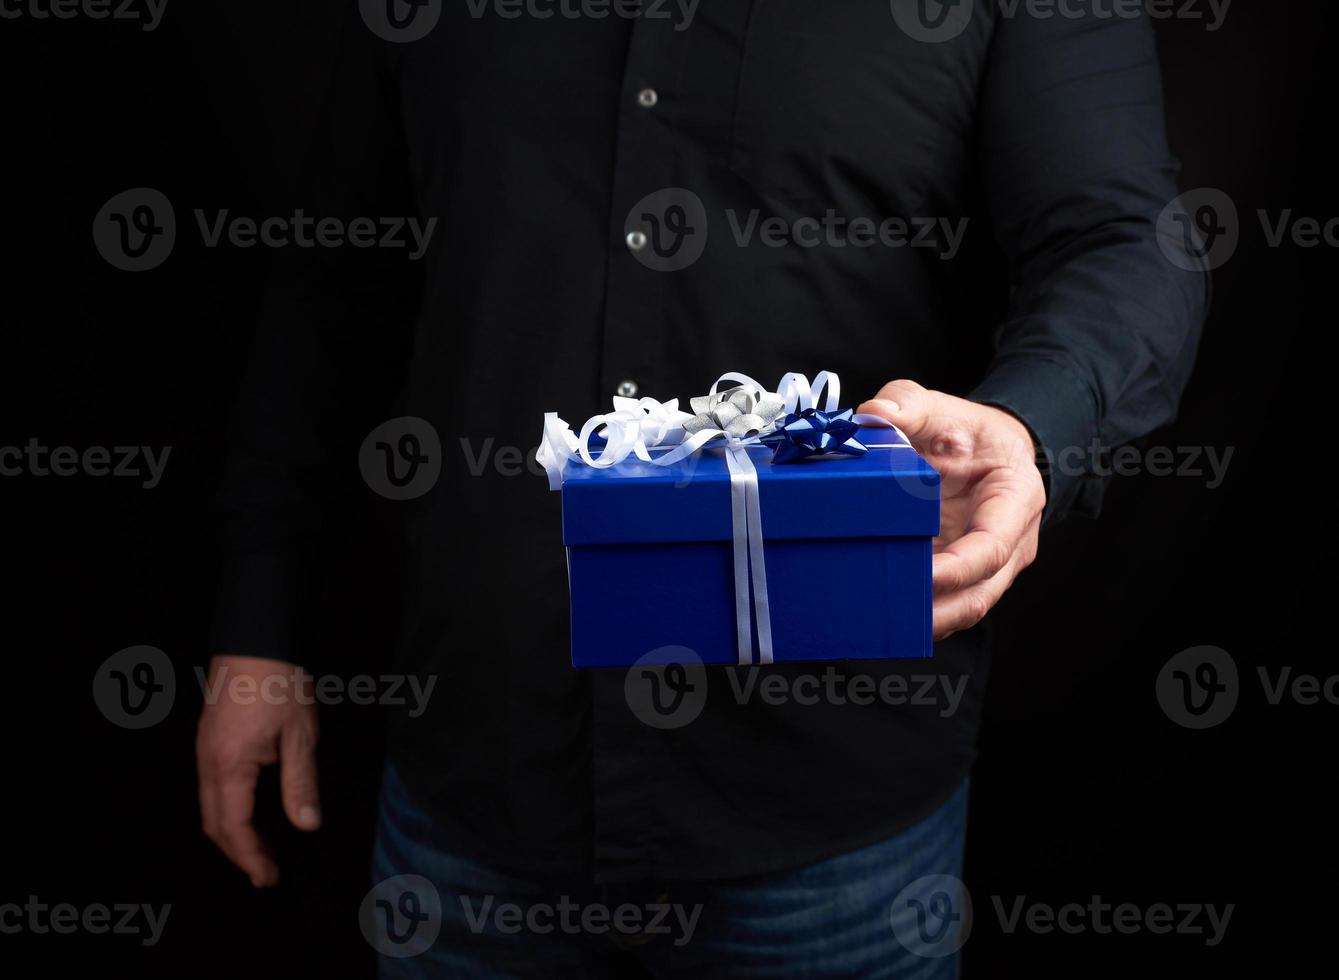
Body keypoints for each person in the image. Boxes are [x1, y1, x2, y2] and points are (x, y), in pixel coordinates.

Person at [196, 2, 1207, 976]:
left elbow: (1121, 239)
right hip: (475, 783)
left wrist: (1032, 423)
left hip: (834, 812)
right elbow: (331, 288)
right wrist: (259, 624)